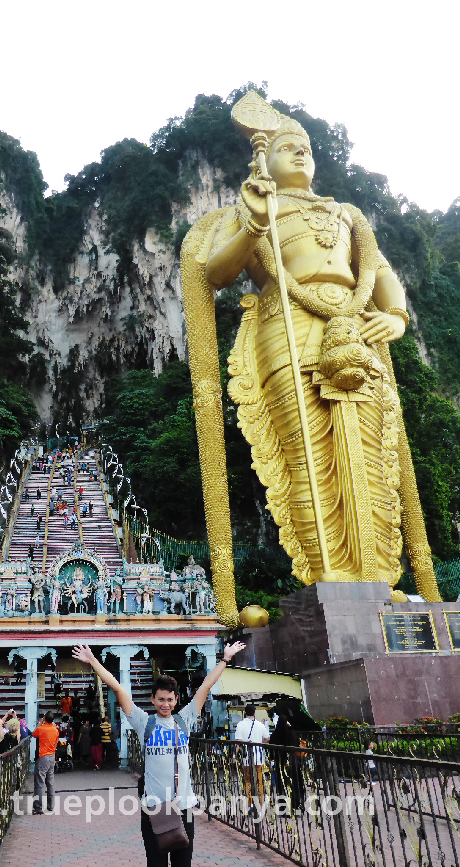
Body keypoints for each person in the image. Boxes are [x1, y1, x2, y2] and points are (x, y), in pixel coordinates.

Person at [181, 91, 441, 605]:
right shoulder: (255, 205)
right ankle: (330, 580)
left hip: (355, 326)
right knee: (307, 452)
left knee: (371, 453)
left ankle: (377, 577)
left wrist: (395, 315)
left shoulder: (347, 213)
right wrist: (255, 222)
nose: (302, 153)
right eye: (287, 147)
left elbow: (382, 272)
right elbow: (215, 273)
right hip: (287, 327)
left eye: (306, 146)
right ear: (265, 160)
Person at [73, 640, 245, 867]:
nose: (165, 704)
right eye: (161, 699)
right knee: (156, 863)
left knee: (183, 863)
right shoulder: (144, 722)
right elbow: (118, 688)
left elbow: (204, 687)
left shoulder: (184, 719)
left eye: (170, 699)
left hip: (184, 806)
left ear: (176, 700)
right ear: (153, 699)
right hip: (154, 808)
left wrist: (225, 659)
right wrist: (93, 660)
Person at [268, 715, 305, 810]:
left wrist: (272, 758)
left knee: (282, 784)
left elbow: (271, 749)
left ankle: (284, 807)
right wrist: (290, 726)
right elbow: (297, 743)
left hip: (281, 761)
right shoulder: (292, 733)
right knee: (295, 783)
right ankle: (297, 805)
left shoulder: (275, 735)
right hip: (292, 761)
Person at [234, 705, 270, 799]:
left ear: (245, 712)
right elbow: (267, 738)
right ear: (254, 713)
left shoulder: (240, 725)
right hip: (259, 758)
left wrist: (234, 756)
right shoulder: (260, 724)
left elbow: (238, 743)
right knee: (259, 781)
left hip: (246, 758)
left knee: (247, 781)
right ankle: (260, 803)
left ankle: (250, 803)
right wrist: (260, 743)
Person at [32, 711, 59, 814]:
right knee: (50, 782)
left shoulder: (41, 728)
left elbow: (34, 734)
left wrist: (40, 723)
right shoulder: (55, 730)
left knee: (39, 782)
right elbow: (56, 743)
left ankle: (38, 807)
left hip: (43, 756)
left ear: (44, 719)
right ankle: (51, 806)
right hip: (52, 756)